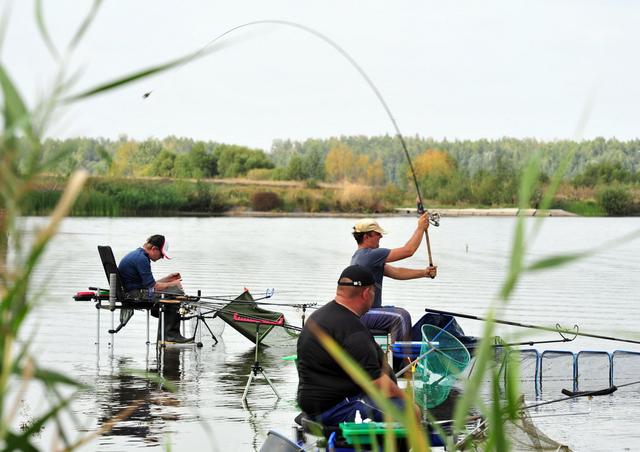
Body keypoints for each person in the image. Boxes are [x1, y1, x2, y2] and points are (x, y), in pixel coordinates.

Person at [296, 265, 419, 425]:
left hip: (319, 404)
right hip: (337, 407)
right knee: (409, 410)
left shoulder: (319, 317)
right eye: (374, 292)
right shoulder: (350, 328)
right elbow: (379, 384)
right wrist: (409, 402)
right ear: (367, 293)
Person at [351, 215, 437, 343]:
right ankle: (403, 361)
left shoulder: (362, 257)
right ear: (366, 236)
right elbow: (408, 251)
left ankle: (397, 354)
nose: (381, 236)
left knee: (395, 310)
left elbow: (397, 272)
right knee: (401, 316)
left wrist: (424, 273)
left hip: (366, 312)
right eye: (377, 234)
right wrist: (420, 228)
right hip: (362, 315)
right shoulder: (370, 255)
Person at [118, 234, 193, 344]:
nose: (161, 257)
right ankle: (170, 336)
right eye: (161, 255)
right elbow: (153, 287)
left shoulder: (139, 255)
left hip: (134, 292)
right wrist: (173, 284)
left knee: (171, 291)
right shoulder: (142, 259)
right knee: (175, 293)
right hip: (134, 295)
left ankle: (165, 335)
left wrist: (168, 279)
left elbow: (149, 284)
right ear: (154, 249)